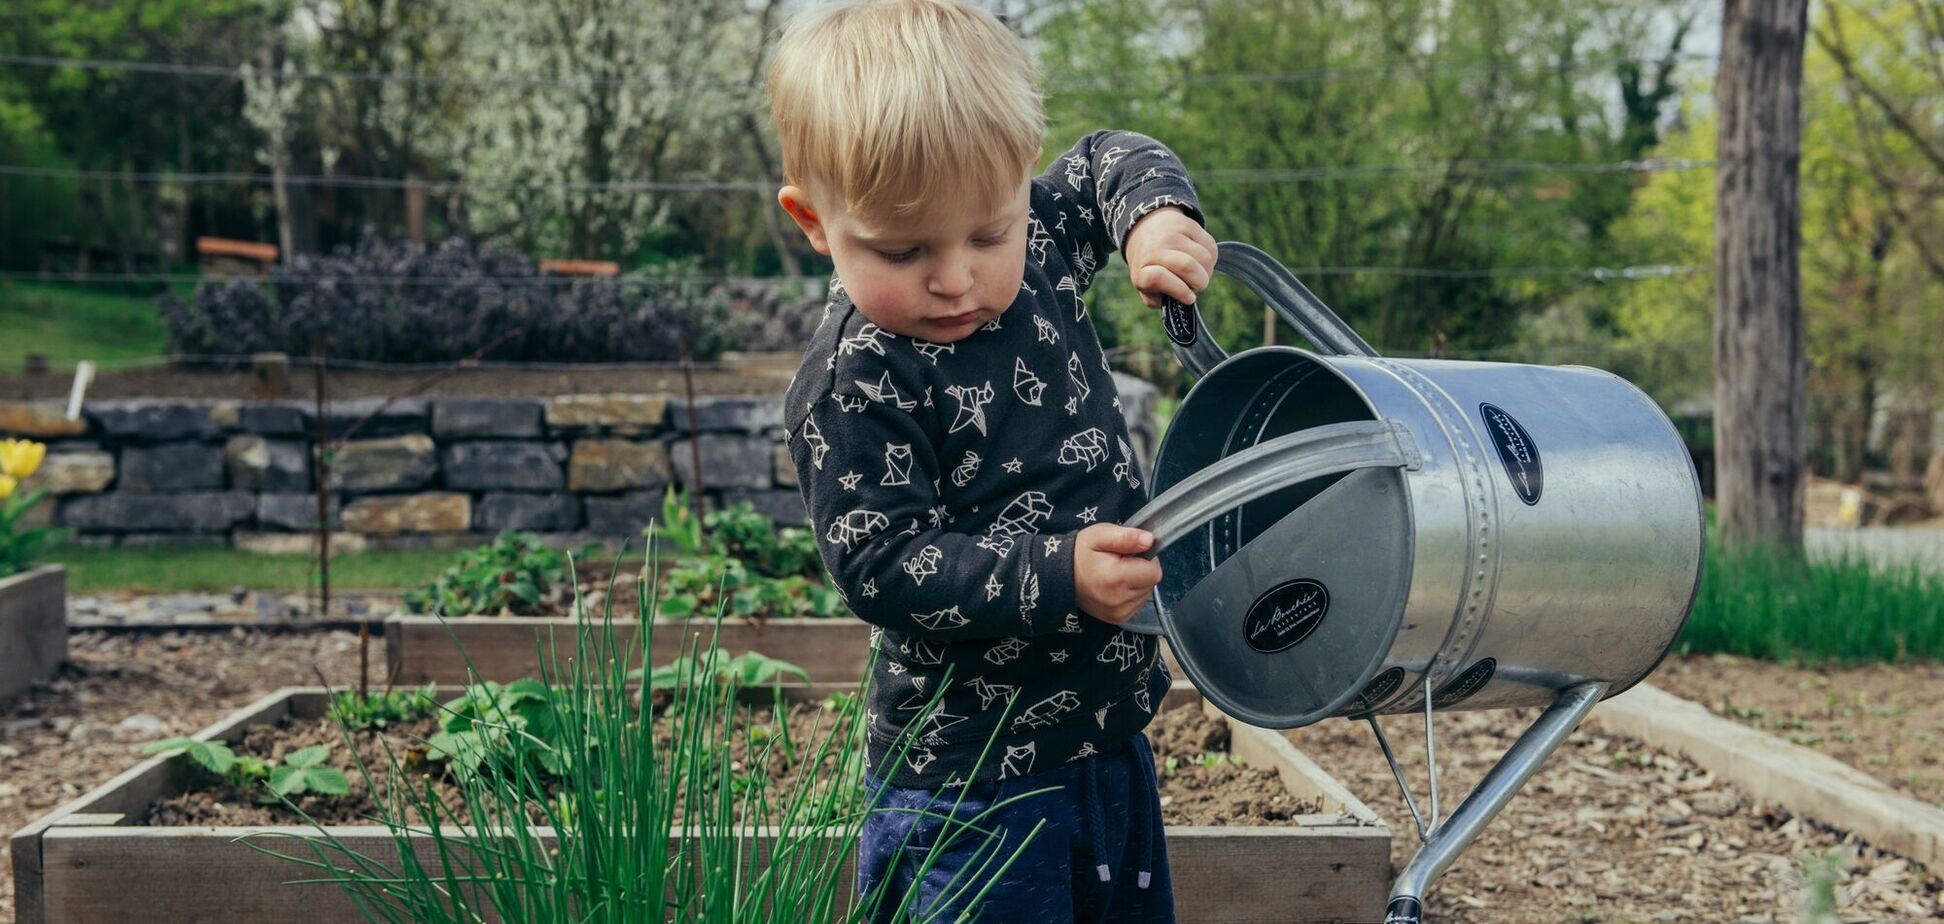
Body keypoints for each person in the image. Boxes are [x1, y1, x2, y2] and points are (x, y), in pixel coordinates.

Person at [768, 1, 1218, 920]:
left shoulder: (1041, 242)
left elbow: (1105, 161)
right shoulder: (856, 381)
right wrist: (1059, 576)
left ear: (1018, 190)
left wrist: (1153, 219)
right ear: (815, 222)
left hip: (1109, 738)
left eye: (987, 234)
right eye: (902, 249)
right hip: (970, 788)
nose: (955, 277)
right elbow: (881, 562)